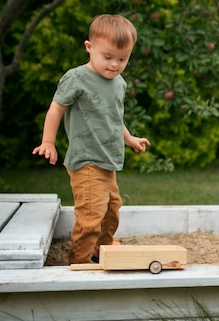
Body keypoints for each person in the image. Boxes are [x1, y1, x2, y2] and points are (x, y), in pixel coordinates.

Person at [32, 14, 150, 265]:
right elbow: (55, 109)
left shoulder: (118, 83)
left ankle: (102, 248)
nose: (115, 64)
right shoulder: (77, 78)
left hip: (108, 160)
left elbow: (114, 118)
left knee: (111, 210)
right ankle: (80, 261)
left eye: (122, 59)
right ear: (89, 47)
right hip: (86, 161)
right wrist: (48, 142)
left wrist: (129, 138)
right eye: (108, 57)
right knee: (91, 215)